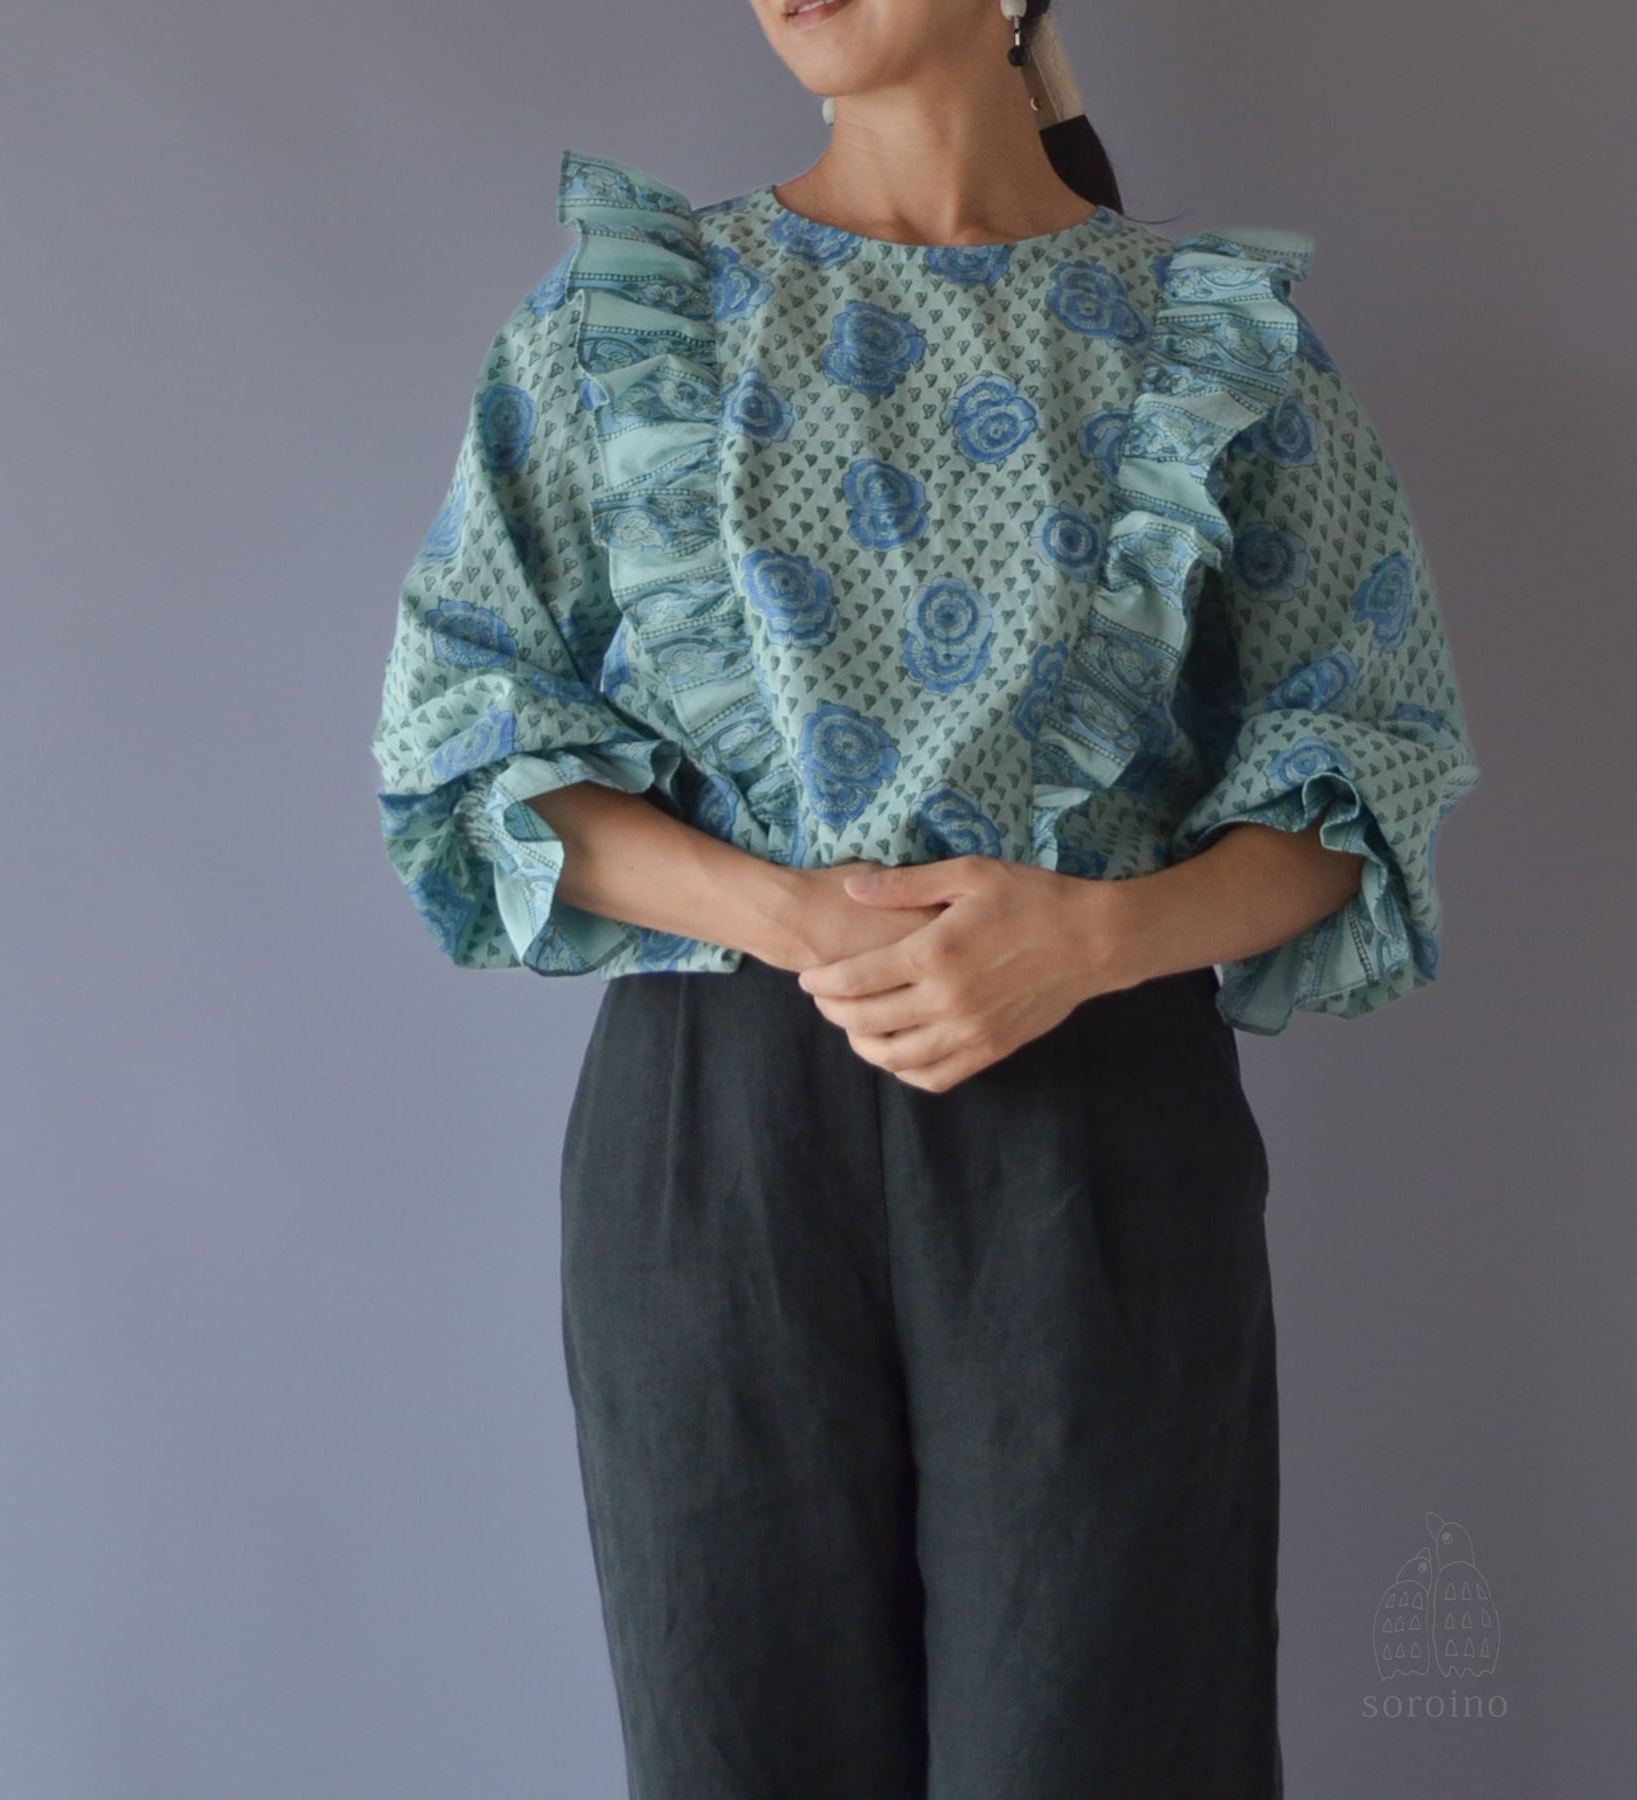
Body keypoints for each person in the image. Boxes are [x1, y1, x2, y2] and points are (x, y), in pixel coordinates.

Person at [368, 3, 1483, 1793]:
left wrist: (1097, 936)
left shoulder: (1211, 337)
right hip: (718, 1144)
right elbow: (463, 737)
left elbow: (1369, 772)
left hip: (1098, 1135)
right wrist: (790, 914)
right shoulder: (625, 317)